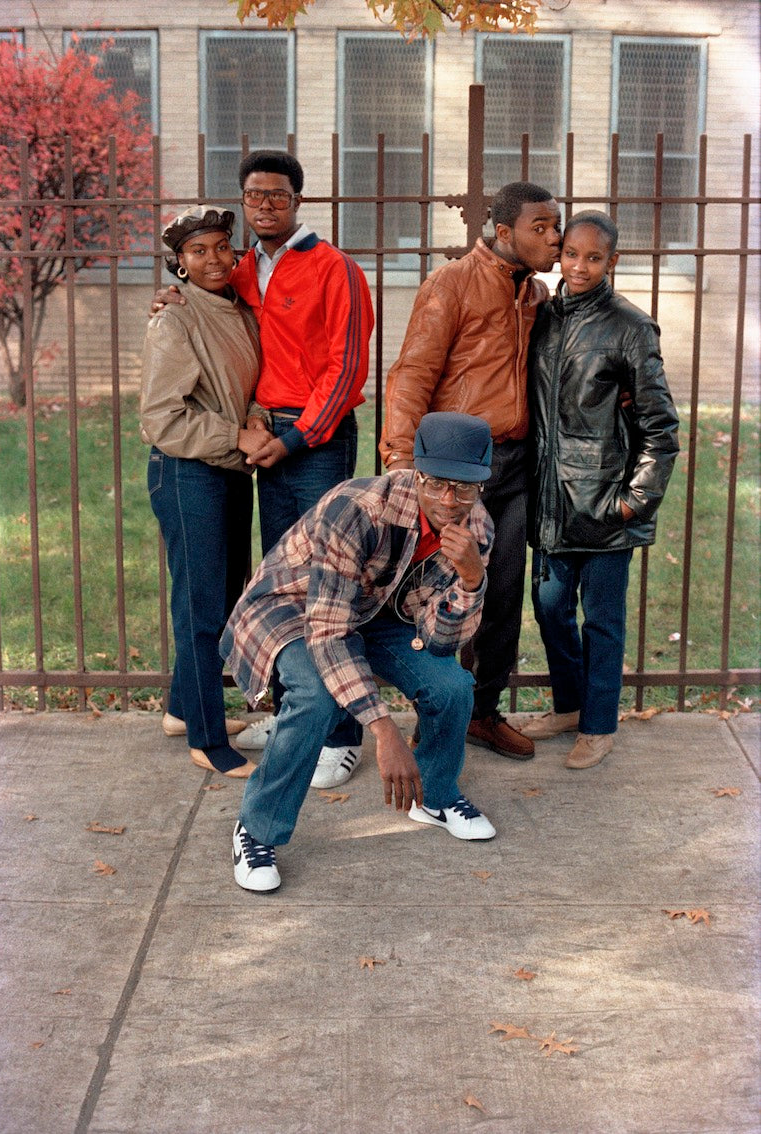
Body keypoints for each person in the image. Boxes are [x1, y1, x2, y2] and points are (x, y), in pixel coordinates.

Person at [152, 150, 374, 789]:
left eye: (278, 195)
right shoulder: (241, 270)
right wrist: (170, 299)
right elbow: (204, 306)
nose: (266, 205)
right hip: (260, 439)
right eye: (255, 195)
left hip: (313, 440)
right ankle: (293, 713)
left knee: (327, 583)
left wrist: (299, 437)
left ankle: (340, 734)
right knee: (280, 587)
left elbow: (347, 368)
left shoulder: (334, 268)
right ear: (244, 202)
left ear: (298, 200)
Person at [221, 412, 498, 893]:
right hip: (294, 604)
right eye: (435, 484)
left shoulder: (478, 530)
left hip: (373, 609)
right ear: (417, 473)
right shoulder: (358, 509)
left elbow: (440, 641)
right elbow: (329, 630)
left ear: (481, 486)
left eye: (464, 488)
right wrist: (383, 728)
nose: (449, 501)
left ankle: (433, 795)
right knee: (315, 697)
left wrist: (472, 580)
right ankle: (256, 830)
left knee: (452, 686)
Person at [379, 181, 562, 761]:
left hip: (512, 464)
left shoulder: (535, 293)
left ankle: (481, 713)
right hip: (453, 473)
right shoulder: (451, 284)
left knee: (501, 593)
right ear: (503, 232)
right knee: (440, 590)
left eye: (556, 226)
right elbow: (412, 374)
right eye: (540, 227)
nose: (554, 238)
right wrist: (402, 463)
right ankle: (435, 714)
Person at [521, 210, 679, 768]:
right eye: (571, 254)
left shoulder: (631, 327)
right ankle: (569, 706)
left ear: (613, 260)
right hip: (551, 500)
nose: (580, 266)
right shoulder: (541, 317)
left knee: (603, 621)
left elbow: (660, 428)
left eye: (594, 257)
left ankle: (599, 724)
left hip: (607, 502)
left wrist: (636, 501)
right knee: (550, 610)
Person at [140, 206, 261, 777]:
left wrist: (255, 419)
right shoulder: (175, 318)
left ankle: (182, 711)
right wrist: (235, 434)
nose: (213, 259)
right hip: (187, 472)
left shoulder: (239, 310)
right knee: (201, 607)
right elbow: (162, 417)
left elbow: (249, 384)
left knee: (222, 597)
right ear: (179, 263)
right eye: (197, 251)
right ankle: (208, 741)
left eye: (221, 247)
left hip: (229, 470)